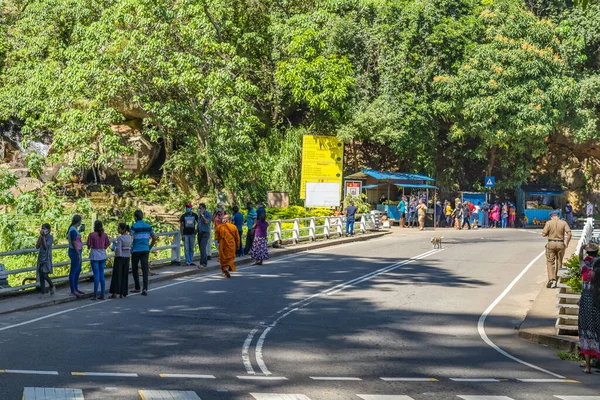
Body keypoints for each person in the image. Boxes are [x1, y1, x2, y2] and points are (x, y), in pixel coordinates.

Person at [578, 242, 600, 374]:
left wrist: (581, 248)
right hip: (597, 302)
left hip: (586, 302)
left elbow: (579, 258)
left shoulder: (585, 267)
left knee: (586, 330)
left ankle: (587, 366)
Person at [542, 210, 572, 288]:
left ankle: (551, 278)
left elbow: (543, 234)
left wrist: (549, 233)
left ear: (551, 216)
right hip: (561, 243)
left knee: (550, 262)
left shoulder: (548, 223)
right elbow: (569, 233)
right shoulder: (564, 223)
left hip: (551, 243)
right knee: (559, 262)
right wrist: (567, 243)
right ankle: (558, 279)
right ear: (558, 216)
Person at [130, 210, 157, 296]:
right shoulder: (148, 226)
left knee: (134, 268)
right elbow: (154, 238)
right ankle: (145, 288)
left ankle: (137, 287)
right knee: (145, 269)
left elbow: (130, 237)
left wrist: (130, 247)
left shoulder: (134, 226)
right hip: (145, 249)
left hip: (136, 250)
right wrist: (149, 247)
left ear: (135, 217)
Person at [87, 220, 111, 300]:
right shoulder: (104, 235)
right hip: (102, 255)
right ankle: (103, 294)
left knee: (96, 275)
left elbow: (89, 245)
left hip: (94, 255)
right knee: (101, 274)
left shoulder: (92, 235)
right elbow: (107, 244)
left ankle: (95, 295)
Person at [109, 223, 131, 299]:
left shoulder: (120, 238)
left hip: (120, 257)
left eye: (119, 228)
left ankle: (115, 292)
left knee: (117, 275)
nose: (118, 229)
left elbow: (118, 249)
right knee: (124, 275)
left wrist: (113, 249)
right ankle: (123, 292)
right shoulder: (129, 237)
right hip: (127, 257)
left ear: (123, 229)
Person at [67, 215, 85, 298]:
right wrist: (77, 252)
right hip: (75, 251)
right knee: (74, 270)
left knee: (78, 269)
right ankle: (73, 289)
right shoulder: (73, 230)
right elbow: (74, 242)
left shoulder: (74, 229)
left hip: (77, 251)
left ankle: (75, 288)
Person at [36, 223, 55, 298]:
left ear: (49, 230)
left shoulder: (50, 237)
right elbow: (37, 246)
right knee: (41, 276)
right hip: (41, 258)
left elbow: (46, 246)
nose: (43, 230)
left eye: (45, 229)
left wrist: (44, 237)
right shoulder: (41, 237)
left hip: (46, 258)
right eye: (42, 228)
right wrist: (41, 237)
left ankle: (52, 286)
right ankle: (43, 293)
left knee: (45, 275)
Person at [197, 203, 212, 268]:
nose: (199, 209)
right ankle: (202, 262)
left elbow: (206, 222)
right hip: (200, 233)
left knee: (203, 247)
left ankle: (203, 263)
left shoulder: (207, 214)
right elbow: (199, 224)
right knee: (201, 248)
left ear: (204, 208)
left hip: (205, 233)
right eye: (199, 208)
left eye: (200, 208)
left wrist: (202, 215)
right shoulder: (199, 215)